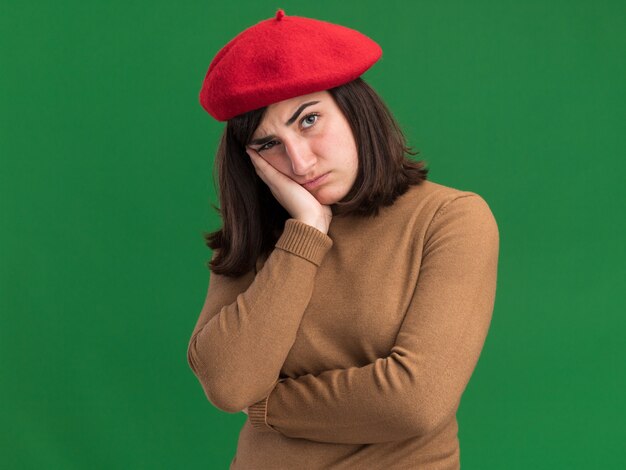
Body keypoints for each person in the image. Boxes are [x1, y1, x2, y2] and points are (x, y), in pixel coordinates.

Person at [187, 9, 500, 470]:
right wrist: (307, 231)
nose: (298, 160)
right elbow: (230, 383)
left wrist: (267, 407)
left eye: (309, 119)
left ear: (356, 110)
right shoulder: (259, 235)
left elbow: (413, 401)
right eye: (267, 144)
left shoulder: (449, 219)